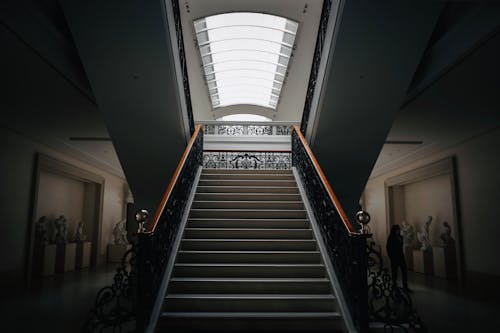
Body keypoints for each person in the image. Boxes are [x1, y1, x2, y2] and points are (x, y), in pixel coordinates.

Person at [386, 224, 411, 292]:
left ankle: (405, 286)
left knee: (404, 270)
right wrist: (391, 256)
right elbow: (388, 248)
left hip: (401, 256)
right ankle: (394, 285)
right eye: (397, 230)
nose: (398, 231)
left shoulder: (400, 237)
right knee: (394, 272)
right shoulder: (391, 238)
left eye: (399, 229)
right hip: (394, 257)